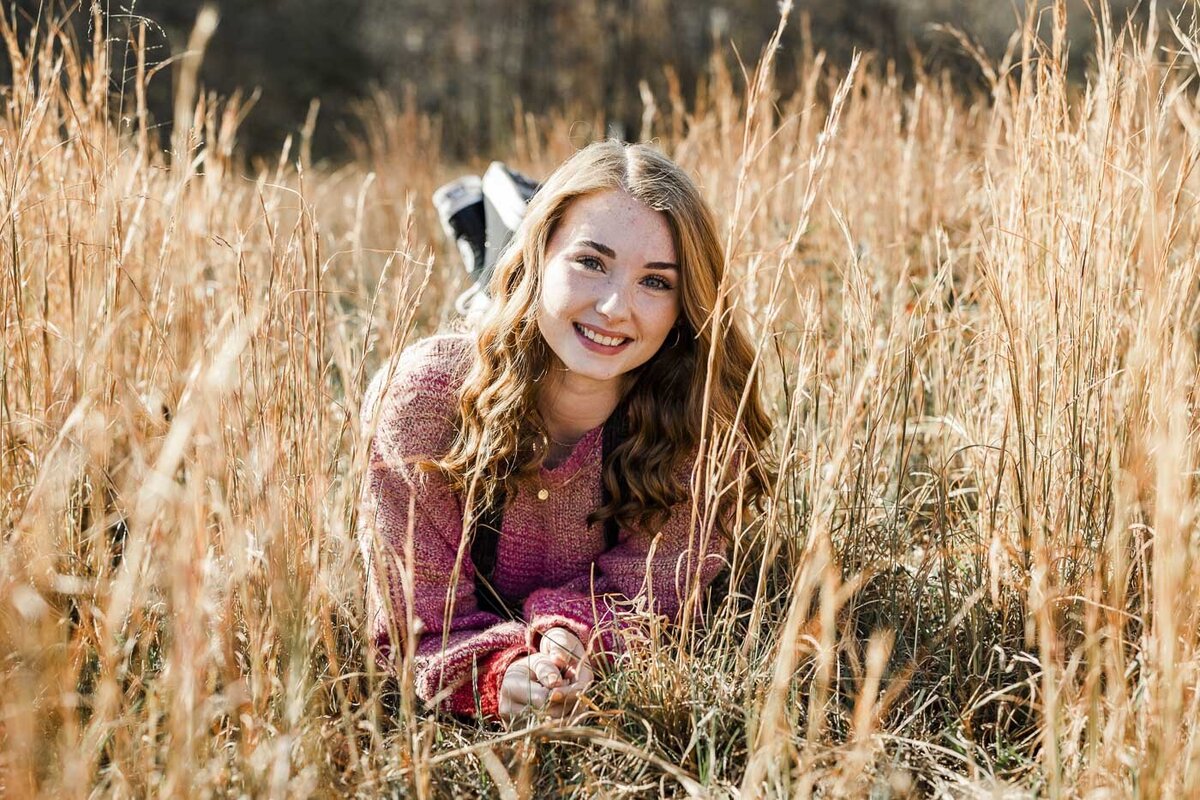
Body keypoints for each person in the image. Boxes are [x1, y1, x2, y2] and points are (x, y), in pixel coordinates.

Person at [357, 140, 771, 722]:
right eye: (590, 261)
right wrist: (495, 677)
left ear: (685, 304)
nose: (613, 306)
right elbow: (413, 627)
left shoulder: (700, 424)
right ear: (538, 253)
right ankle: (494, 230)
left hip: (555, 318)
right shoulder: (424, 403)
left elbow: (655, 595)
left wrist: (576, 637)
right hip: (504, 327)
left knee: (564, 320)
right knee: (489, 304)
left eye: (656, 282)